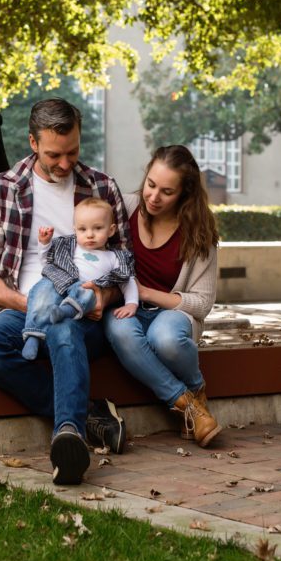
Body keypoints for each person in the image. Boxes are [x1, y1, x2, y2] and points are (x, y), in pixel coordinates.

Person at [0, 98, 129, 486]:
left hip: (83, 313)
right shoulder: (3, 189)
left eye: (73, 152)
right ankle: (88, 416)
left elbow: (125, 266)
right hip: (22, 309)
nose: (65, 163)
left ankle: (67, 435)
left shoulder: (102, 187)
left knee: (62, 325)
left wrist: (103, 300)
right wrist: (29, 304)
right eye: (55, 154)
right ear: (33, 143)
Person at [103, 145, 223, 447]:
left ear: (184, 193)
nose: (154, 197)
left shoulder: (199, 231)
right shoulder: (124, 207)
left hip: (171, 315)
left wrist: (147, 293)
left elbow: (202, 303)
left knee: (165, 338)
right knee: (120, 330)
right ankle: (191, 405)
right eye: (151, 185)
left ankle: (197, 386)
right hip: (125, 309)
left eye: (167, 192)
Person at [22, 197, 138, 361]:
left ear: (111, 230)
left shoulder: (115, 256)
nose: (90, 235)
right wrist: (45, 244)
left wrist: (132, 304)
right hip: (60, 286)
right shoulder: (69, 247)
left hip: (86, 291)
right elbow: (48, 264)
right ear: (75, 229)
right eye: (82, 229)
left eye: (97, 228)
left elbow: (127, 279)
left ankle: (65, 311)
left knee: (88, 293)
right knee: (42, 290)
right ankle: (33, 334)